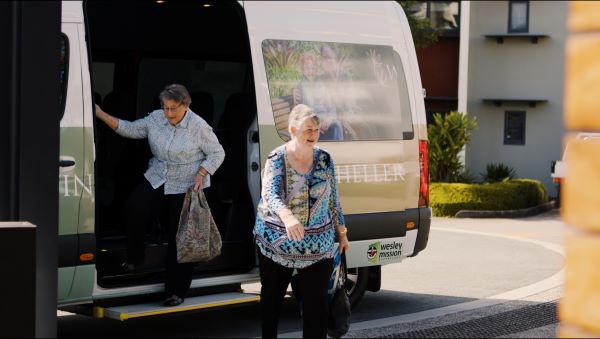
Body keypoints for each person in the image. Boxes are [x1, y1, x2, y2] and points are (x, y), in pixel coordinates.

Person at [94, 83, 225, 307]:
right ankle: (136, 258)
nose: (168, 113)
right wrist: (99, 113)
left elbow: (217, 152)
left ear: (185, 105)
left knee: (180, 236)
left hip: (187, 182)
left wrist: (203, 172)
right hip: (159, 174)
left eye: (173, 108)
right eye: (165, 107)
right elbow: (130, 129)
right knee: (135, 207)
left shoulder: (198, 126)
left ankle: (176, 291)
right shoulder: (156, 118)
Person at [253, 104, 350, 338]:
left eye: (316, 130)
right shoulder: (277, 158)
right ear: (293, 130)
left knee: (316, 308)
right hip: (277, 241)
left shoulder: (325, 159)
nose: (313, 134)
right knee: (272, 302)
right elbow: (270, 193)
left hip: (318, 245)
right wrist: (287, 217)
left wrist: (342, 233)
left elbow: (333, 198)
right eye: (308, 129)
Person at [292, 50, 343, 141]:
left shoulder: (322, 83)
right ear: (302, 70)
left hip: (326, 122)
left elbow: (331, 106)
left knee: (336, 125)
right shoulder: (300, 87)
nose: (310, 71)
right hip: (312, 125)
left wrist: (329, 119)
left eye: (313, 67)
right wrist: (317, 124)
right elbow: (301, 114)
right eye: (307, 68)